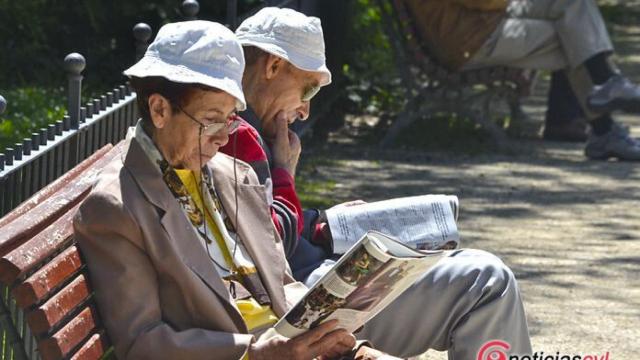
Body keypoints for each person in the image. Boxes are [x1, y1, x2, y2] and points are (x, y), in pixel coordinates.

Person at [221, 7, 533, 358]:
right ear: (273, 66)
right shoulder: (234, 133)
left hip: (309, 281)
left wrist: (324, 221)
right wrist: (285, 173)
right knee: (486, 280)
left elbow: (254, 219)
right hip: (300, 299)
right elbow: (267, 240)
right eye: (307, 90)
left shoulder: (239, 127)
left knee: (479, 271)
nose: (305, 111)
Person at [73, 20, 381, 360]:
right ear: (160, 109)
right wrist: (256, 354)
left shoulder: (232, 173)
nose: (224, 138)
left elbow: (282, 285)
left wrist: (336, 335)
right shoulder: (117, 207)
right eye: (212, 119)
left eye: (231, 118)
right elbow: (143, 343)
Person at [405, 0, 640, 160]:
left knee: (573, 5)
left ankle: (609, 87)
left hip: (476, 22)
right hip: (469, 38)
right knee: (573, 37)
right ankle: (605, 125)